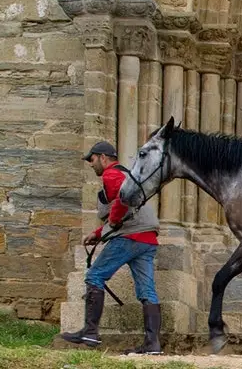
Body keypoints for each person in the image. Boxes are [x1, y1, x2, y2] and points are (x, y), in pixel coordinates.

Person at [60, 140, 162, 355]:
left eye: (92, 159)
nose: (90, 164)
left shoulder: (112, 174)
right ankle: (153, 344)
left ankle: (90, 332)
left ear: (103, 158)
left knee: (94, 276)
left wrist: (113, 221)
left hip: (129, 237)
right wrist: (97, 234)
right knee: (147, 291)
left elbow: (121, 202)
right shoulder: (128, 175)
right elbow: (125, 208)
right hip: (147, 239)